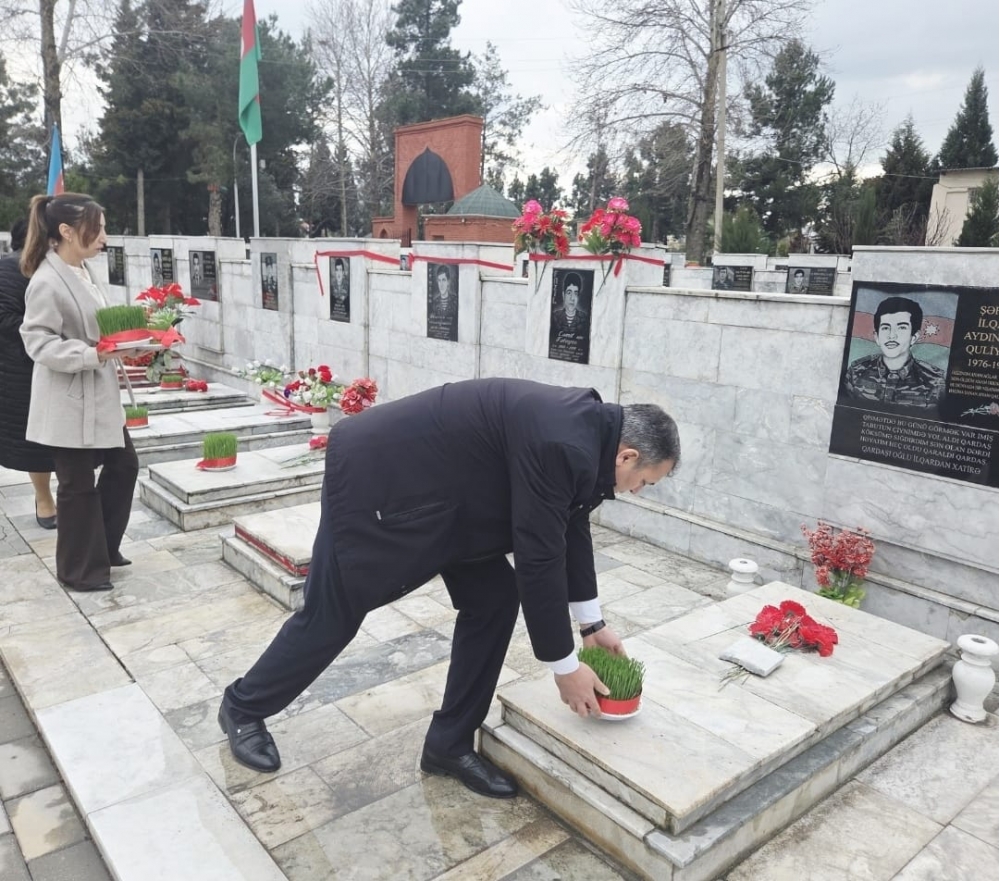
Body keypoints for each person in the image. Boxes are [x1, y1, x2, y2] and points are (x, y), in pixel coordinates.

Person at [218, 378, 680, 798]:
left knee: (495, 599)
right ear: (627, 456)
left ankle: (449, 745)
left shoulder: (591, 436)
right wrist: (564, 667)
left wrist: (591, 625)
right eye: (644, 482)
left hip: (458, 501)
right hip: (378, 477)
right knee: (334, 612)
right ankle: (242, 707)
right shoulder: (564, 440)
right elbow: (539, 556)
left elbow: (570, 524)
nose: (637, 491)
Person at [19, 193, 140, 592]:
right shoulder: (47, 280)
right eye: (97, 228)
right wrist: (92, 354)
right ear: (67, 231)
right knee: (76, 486)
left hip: (99, 395)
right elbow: (38, 342)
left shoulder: (82, 270)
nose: (104, 237)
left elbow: (97, 329)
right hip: (68, 400)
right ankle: (79, 570)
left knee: (124, 466)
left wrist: (128, 343)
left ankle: (101, 549)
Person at [0, 218, 57, 528]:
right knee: (35, 441)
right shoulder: (9, 269)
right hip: (24, 367)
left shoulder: (60, 268)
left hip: (62, 360)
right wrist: (44, 334)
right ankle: (44, 497)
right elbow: (5, 318)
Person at [842, 295, 946, 413]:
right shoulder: (856, 372)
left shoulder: (934, 382)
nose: (892, 335)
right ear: (877, 337)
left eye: (901, 328)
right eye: (886, 328)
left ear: (914, 337)